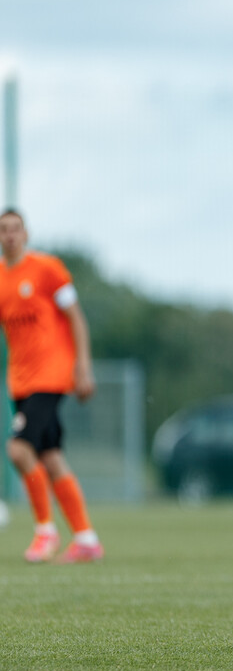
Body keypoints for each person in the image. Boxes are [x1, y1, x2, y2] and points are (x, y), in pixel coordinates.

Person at [0, 208, 104, 563]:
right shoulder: (0, 279)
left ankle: (45, 531)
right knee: (50, 456)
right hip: (20, 381)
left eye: (15, 229)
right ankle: (87, 539)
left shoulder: (47, 270)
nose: (10, 235)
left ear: (26, 234)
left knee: (18, 450)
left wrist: (83, 366)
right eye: (3, 230)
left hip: (52, 374)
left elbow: (76, 317)